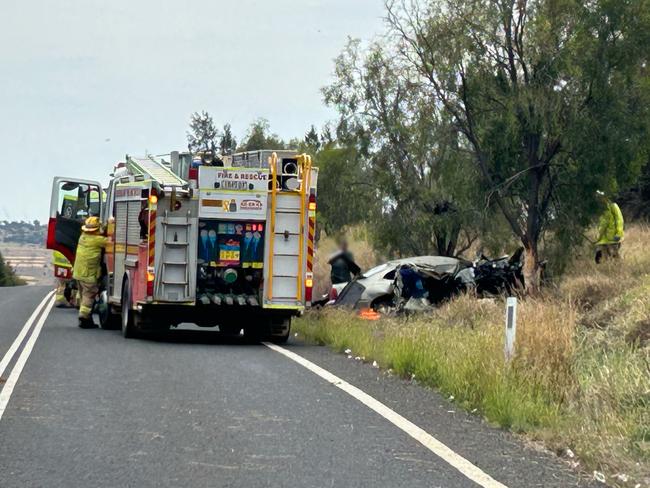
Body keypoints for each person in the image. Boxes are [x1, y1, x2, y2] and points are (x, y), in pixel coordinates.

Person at [73, 216, 108, 328]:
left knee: (83, 295)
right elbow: (110, 242)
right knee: (89, 295)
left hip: (78, 272)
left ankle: (86, 317)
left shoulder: (82, 237)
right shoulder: (97, 240)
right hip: (88, 274)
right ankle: (84, 318)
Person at [595, 191, 624, 263]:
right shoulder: (599, 209)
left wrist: (619, 234)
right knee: (601, 258)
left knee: (614, 256)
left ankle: (619, 270)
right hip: (602, 239)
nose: (600, 199)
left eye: (601, 197)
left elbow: (619, 220)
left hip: (613, 238)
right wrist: (598, 237)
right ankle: (604, 272)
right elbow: (601, 224)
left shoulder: (613, 206)